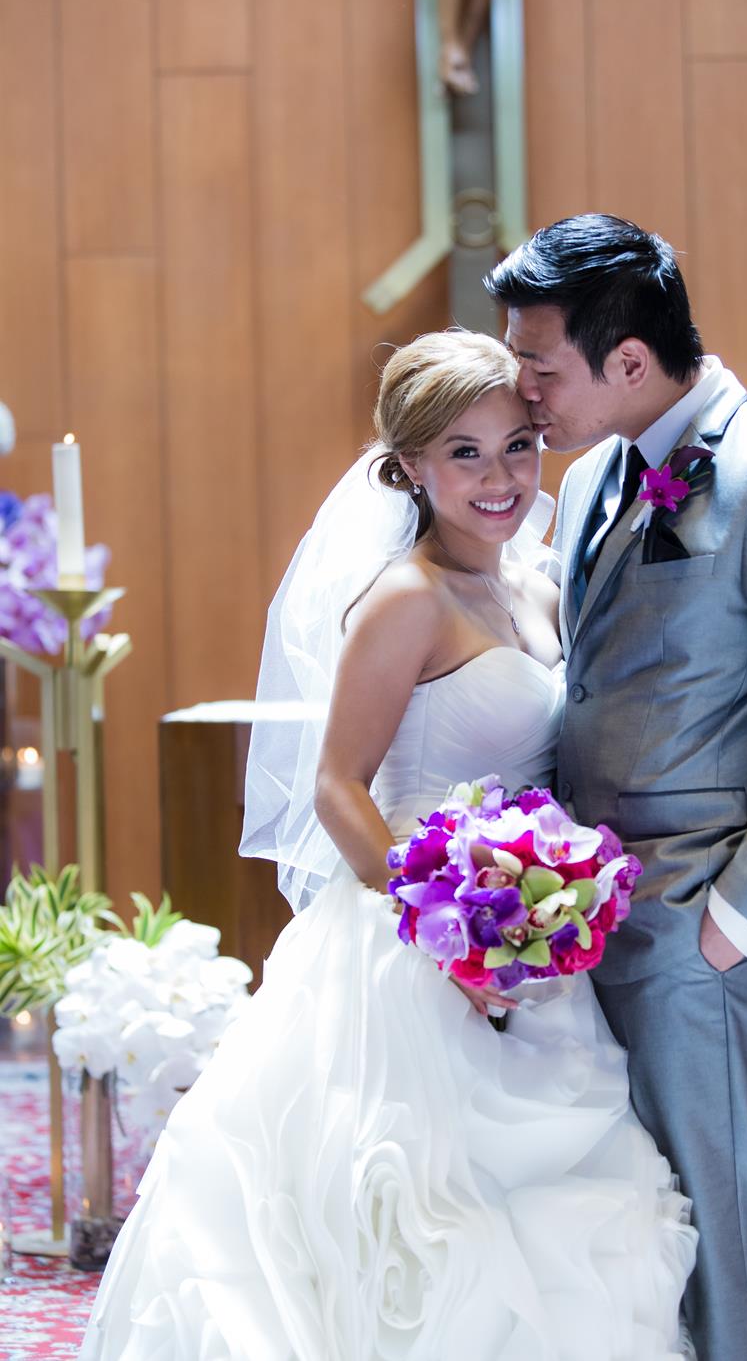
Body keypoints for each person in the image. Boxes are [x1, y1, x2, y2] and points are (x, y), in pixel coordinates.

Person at [79, 330, 697, 1361]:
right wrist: (448, 938)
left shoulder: (538, 587)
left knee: (569, 1205)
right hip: (414, 940)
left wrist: (545, 906)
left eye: (517, 447)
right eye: (465, 453)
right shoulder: (407, 599)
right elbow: (336, 785)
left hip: (531, 940)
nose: (500, 479)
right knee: (413, 1213)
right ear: (411, 465)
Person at [485, 215, 747, 1361]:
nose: (522, 391)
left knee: (718, 1222)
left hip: (703, 920)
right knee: (643, 1223)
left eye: (540, 366)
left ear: (629, 360)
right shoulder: (591, 475)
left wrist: (736, 917)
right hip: (595, 912)